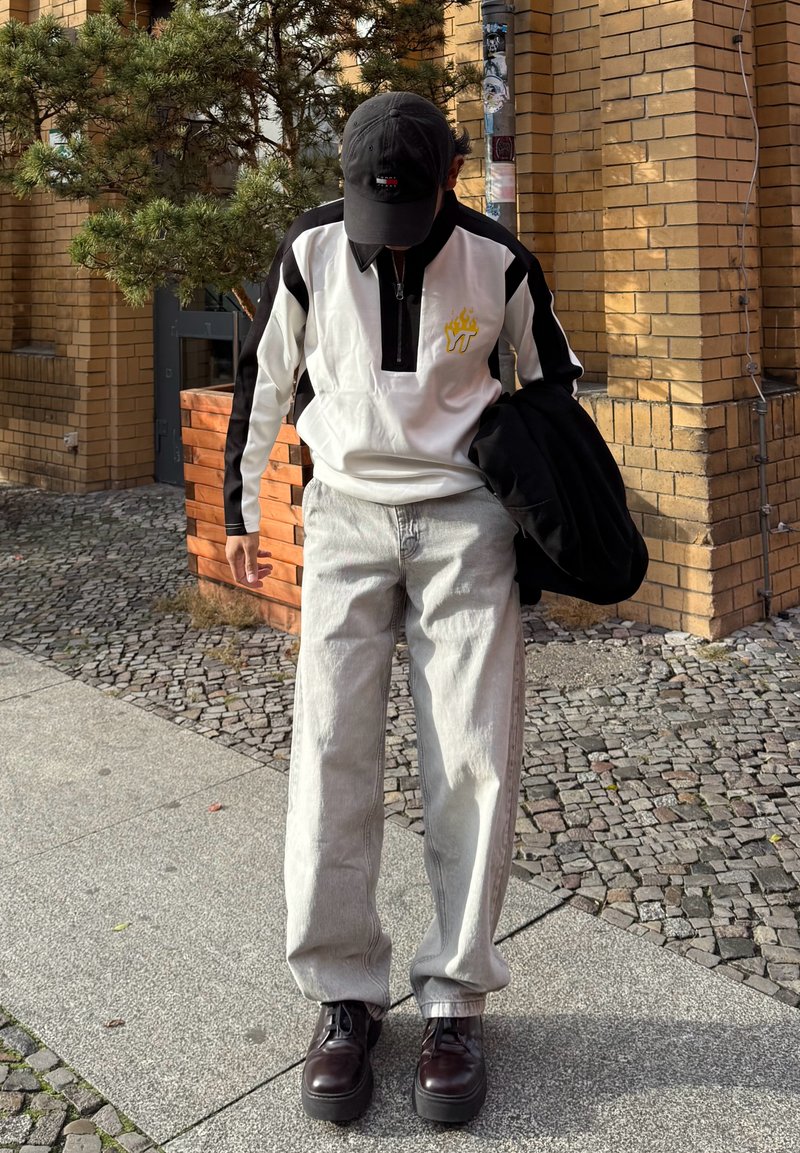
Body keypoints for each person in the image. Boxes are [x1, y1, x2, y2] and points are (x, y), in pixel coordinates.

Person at [224, 90, 582, 1125]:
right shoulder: (309, 252)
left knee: (471, 754)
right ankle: (342, 995)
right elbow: (266, 379)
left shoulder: (497, 259)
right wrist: (241, 505)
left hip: (464, 526)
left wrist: (531, 499)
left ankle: (454, 998)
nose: (384, 238)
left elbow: (553, 382)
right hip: (341, 520)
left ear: (447, 186)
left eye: (407, 211)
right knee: (329, 747)